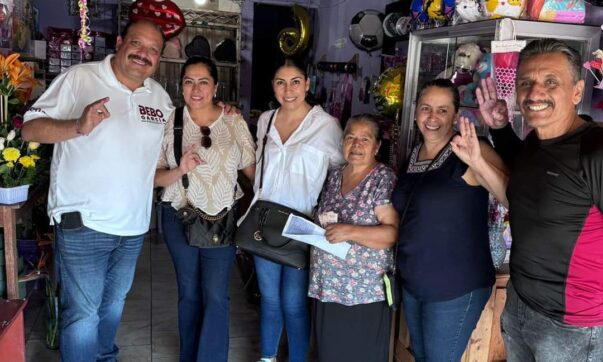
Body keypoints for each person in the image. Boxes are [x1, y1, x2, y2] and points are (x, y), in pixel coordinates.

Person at [22, 20, 169, 362]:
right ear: (120, 42)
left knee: (112, 306)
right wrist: (78, 125)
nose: (143, 54)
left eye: (153, 50)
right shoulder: (80, 78)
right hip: (83, 220)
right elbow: (30, 129)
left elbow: (149, 164)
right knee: (84, 314)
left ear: (159, 58)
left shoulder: (159, 98)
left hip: (132, 227)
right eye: (136, 43)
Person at [477, 38, 603, 361]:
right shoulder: (538, 140)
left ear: (577, 91)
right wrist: (501, 129)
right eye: (526, 83)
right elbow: (527, 176)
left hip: (572, 327)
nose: (534, 94)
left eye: (550, 82)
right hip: (520, 304)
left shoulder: (595, 150)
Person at [391, 78, 508, 362]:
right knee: (421, 357)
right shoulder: (414, 153)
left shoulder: (470, 149)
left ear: (456, 115)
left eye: (442, 110)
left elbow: (509, 195)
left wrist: (478, 161)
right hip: (415, 280)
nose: (432, 118)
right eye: (426, 108)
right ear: (416, 112)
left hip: (455, 285)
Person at [154, 56, 255, 362]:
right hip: (177, 216)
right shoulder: (170, 122)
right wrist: (180, 169)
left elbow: (253, 172)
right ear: (180, 86)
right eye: (188, 81)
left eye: (203, 82)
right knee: (190, 293)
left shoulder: (234, 121)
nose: (195, 89)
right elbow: (155, 176)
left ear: (215, 87)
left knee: (216, 295)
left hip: (221, 218)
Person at [252, 57, 344, 362]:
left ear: (307, 84)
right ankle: (267, 358)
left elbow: (340, 176)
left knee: (293, 303)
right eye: (280, 82)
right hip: (264, 221)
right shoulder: (266, 119)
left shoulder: (327, 125)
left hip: (302, 225)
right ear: (273, 87)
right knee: (269, 300)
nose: (288, 89)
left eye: (295, 82)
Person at [309, 114, 399, 362]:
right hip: (328, 287)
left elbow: (392, 233)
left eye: (364, 139)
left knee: (360, 354)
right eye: (350, 138)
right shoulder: (335, 175)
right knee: (330, 353)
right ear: (342, 143)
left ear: (377, 146)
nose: (356, 145)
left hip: (363, 292)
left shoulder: (382, 179)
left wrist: (349, 231)